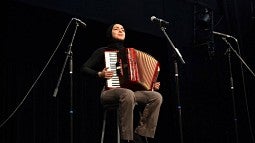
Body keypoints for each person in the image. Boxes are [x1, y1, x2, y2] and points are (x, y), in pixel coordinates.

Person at [81, 23, 163, 143]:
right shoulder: (103, 51)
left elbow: (138, 80)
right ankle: (127, 139)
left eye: (122, 29)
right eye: (116, 29)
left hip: (130, 93)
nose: (120, 30)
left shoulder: (131, 53)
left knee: (156, 96)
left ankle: (140, 133)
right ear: (110, 33)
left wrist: (151, 85)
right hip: (108, 92)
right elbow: (84, 68)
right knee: (127, 93)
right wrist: (100, 74)